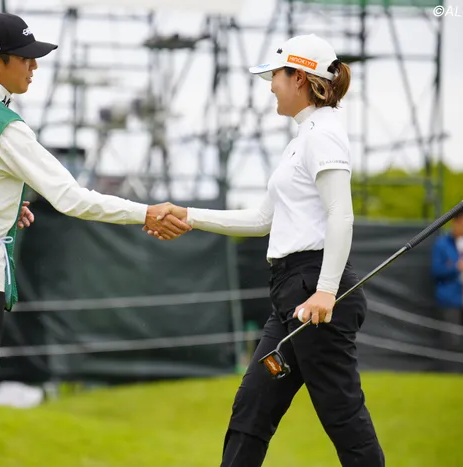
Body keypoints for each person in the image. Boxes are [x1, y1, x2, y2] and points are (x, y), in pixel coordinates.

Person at [0, 12, 190, 467]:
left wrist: (0, 204)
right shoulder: (7, 125)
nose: (34, 66)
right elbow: (72, 199)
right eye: (25, 58)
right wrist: (146, 212)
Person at [148, 34, 385, 466]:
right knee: (252, 408)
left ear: (300, 78)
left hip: (315, 294)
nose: (271, 85)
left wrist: (327, 291)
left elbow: (341, 214)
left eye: (275, 75)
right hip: (292, 295)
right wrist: (189, 215)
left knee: (343, 418)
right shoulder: (303, 137)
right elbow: (262, 220)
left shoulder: (323, 135)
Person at [431, 205, 463, 374]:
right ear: (454, 222)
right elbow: (436, 271)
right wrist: (457, 266)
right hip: (450, 300)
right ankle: (451, 376)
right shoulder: (442, 244)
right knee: (452, 342)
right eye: (462, 222)